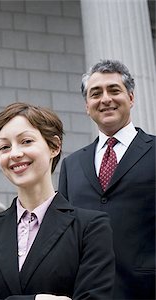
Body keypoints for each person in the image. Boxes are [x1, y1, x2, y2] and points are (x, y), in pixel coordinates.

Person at [0, 102, 115, 300]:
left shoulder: (91, 228)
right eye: (4, 147)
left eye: (26, 141)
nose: (14, 154)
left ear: (54, 146)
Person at [58, 59, 155, 299]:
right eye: (96, 93)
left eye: (114, 90)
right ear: (87, 106)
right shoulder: (72, 165)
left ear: (131, 98)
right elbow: (65, 235)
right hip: (87, 292)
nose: (105, 99)